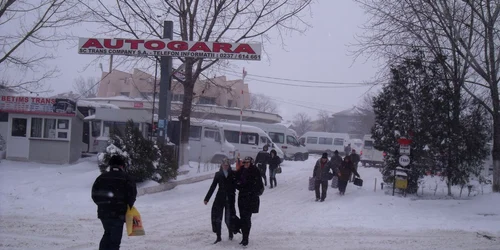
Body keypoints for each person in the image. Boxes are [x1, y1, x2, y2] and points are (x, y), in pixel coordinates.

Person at [91, 155, 137, 250]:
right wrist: (127, 206)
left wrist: (103, 204)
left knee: (107, 233)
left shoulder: (101, 177)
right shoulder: (127, 178)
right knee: (115, 241)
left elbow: (94, 195)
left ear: (110, 165)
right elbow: (132, 196)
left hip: (104, 213)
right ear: (122, 166)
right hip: (119, 214)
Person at [204, 158, 238, 244]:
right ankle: (218, 237)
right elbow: (213, 186)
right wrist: (207, 198)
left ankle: (230, 233)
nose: (225, 166)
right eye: (224, 165)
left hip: (230, 199)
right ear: (221, 165)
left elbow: (238, 185)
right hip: (220, 199)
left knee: (228, 218)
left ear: (229, 165)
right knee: (217, 218)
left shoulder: (233, 174)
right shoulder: (218, 174)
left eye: (227, 165)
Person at [234, 156, 264, 246]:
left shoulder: (255, 171)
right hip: (242, 198)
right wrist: (238, 184)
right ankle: (244, 237)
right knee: (242, 218)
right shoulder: (241, 170)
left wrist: (253, 192)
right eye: (245, 162)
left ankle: (246, 238)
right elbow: (236, 181)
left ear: (251, 163)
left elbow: (259, 185)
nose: (246, 164)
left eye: (247, 162)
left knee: (247, 219)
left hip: (251, 199)